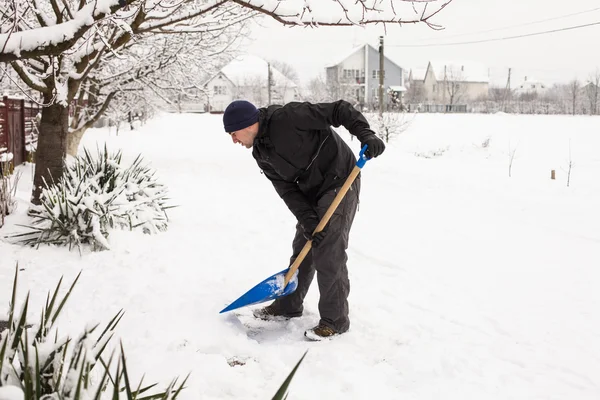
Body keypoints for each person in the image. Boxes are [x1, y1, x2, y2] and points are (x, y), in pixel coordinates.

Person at [223, 99, 385, 340]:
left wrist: (366, 134)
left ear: (247, 124)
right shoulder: (261, 153)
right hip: (312, 191)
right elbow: (287, 190)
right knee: (305, 243)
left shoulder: (289, 117)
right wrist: (307, 219)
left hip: (340, 178)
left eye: (233, 133)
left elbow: (339, 110)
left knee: (328, 247)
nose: (234, 140)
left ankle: (335, 320)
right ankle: (288, 305)